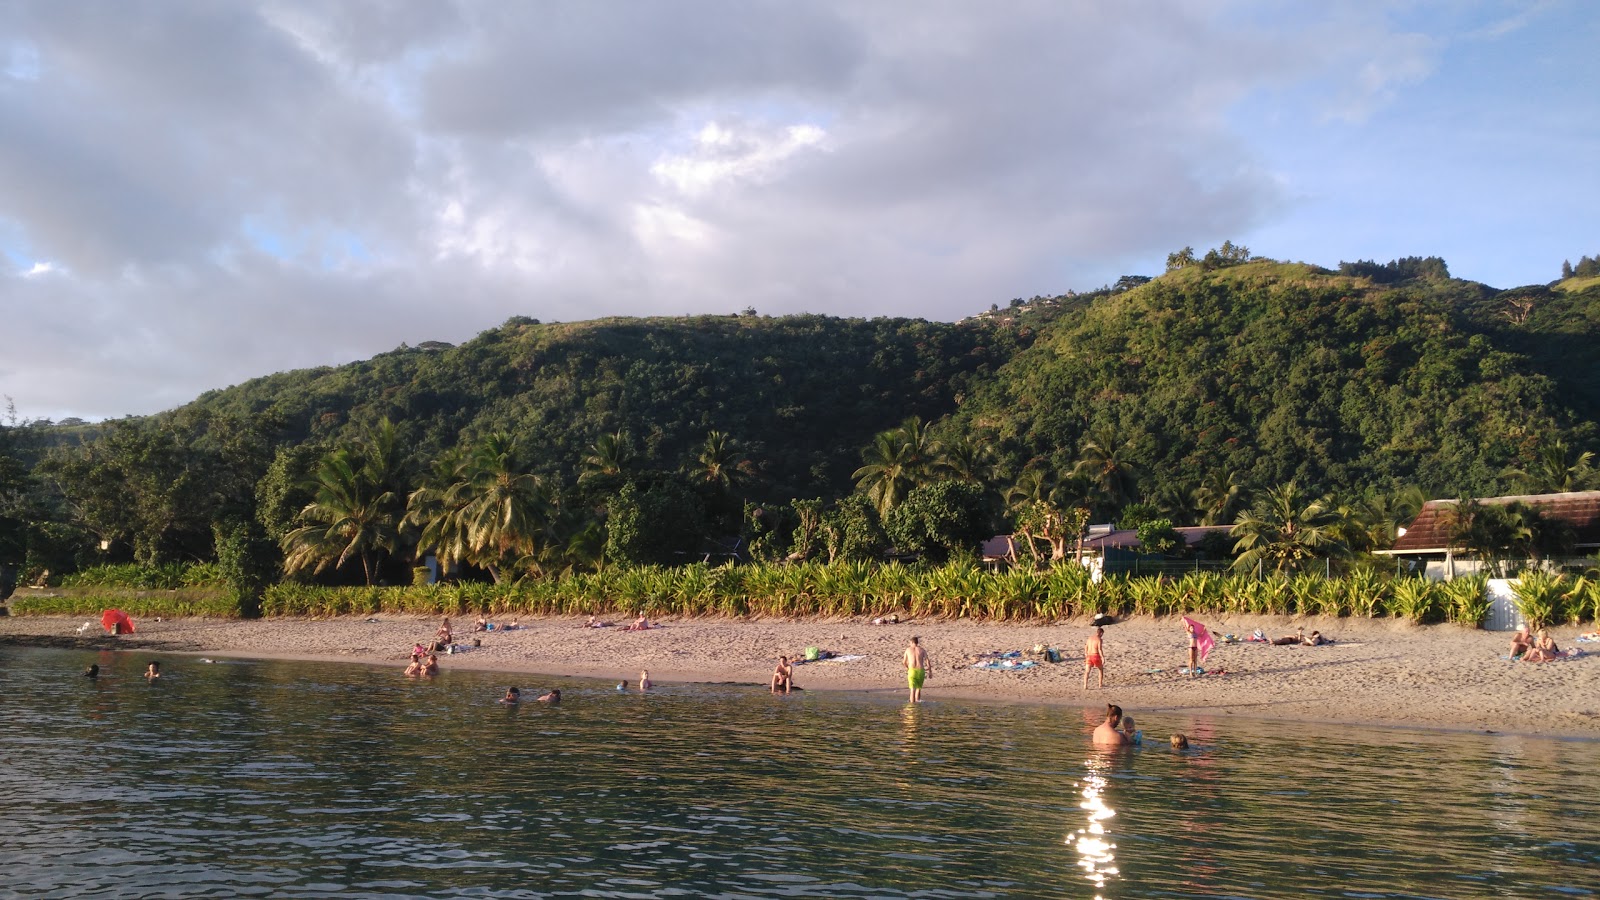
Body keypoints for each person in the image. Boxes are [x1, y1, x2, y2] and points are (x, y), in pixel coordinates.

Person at [904, 636, 931, 702]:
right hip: (921, 671)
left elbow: (904, 662)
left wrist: (907, 668)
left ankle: (912, 707)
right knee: (918, 688)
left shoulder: (908, 650)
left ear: (912, 642)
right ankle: (917, 704)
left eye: (910, 642)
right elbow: (927, 660)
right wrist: (930, 671)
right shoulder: (922, 650)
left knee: (912, 690)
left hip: (912, 670)